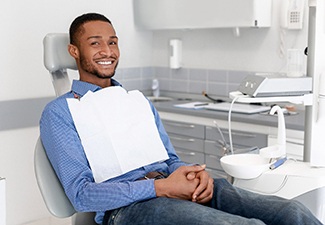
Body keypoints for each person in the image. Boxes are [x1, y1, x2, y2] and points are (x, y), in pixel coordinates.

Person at [40, 12, 322, 225]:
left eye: (112, 42)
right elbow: (81, 194)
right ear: (74, 51)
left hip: (174, 185)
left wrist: (194, 174)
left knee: (292, 213)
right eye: (95, 43)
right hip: (130, 208)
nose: (107, 51)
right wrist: (161, 187)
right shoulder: (60, 113)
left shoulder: (136, 102)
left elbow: (170, 160)